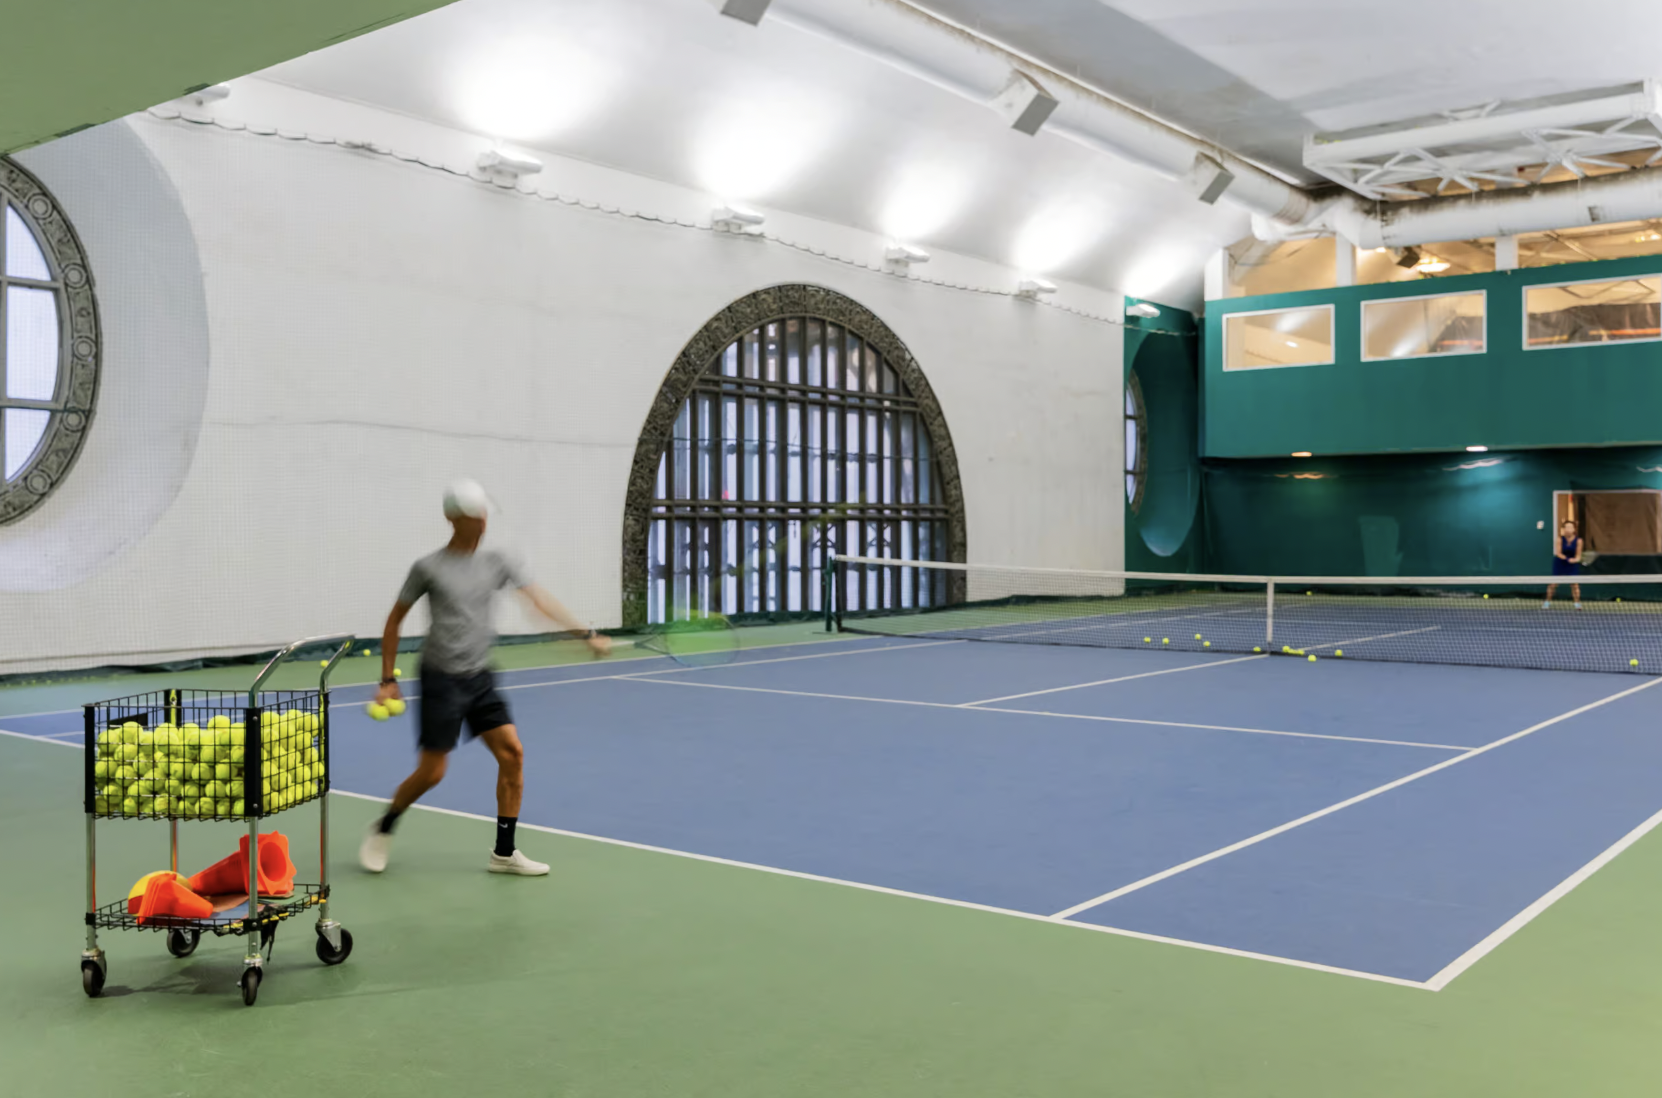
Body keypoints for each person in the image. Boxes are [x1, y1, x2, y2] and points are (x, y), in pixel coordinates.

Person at [359, 479, 610, 876]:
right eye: (475, 518)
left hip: (479, 678)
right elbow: (394, 621)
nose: (483, 524)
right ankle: (386, 824)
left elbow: (539, 601)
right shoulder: (428, 567)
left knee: (512, 753)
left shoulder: (498, 562)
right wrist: (388, 677)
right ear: (454, 520)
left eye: (484, 516)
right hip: (441, 678)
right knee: (433, 772)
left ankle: (504, 853)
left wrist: (586, 635)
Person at [1544, 518, 1584, 609]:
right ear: (1563, 529)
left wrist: (1575, 560)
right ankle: (1547, 602)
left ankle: (1577, 604)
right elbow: (1558, 553)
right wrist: (1567, 559)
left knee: (1574, 585)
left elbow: (1578, 555)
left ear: (1574, 529)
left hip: (1572, 565)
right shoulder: (1559, 539)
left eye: (1570, 527)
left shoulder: (1579, 541)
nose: (1568, 529)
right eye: (1566, 527)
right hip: (1559, 563)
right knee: (1553, 584)